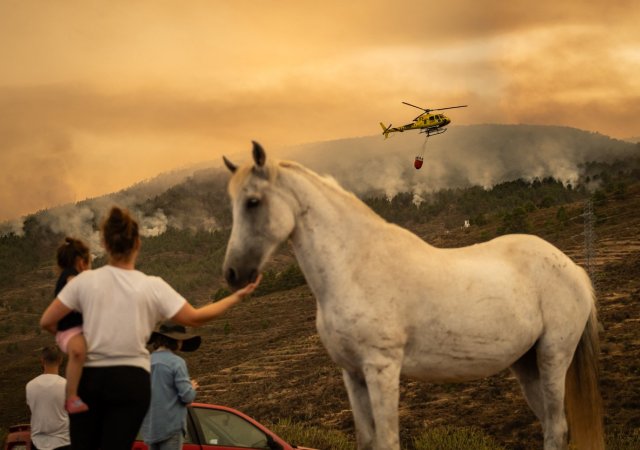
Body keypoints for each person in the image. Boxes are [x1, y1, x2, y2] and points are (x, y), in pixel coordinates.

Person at [40, 206, 261, 450]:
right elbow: (196, 317)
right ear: (137, 243)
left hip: (91, 376)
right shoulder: (152, 286)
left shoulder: (84, 282)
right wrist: (238, 295)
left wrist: (73, 340)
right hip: (132, 380)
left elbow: (48, 321)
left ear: (103, 242)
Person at [141, 321, 201, 450]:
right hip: (171, 425)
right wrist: (192, 387)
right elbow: (187, 396)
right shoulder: (176, 362)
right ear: (175, 341)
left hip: (150, 427)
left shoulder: (145, 361)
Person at [54, 237, 91, 414]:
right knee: (78, 353)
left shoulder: (68, 275)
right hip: (70, 330)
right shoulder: (71, 275)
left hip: (75, 328)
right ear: (80, 261)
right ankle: (72, 397)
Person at [25, 346, 71, 450]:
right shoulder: (67, 386)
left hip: (37, 443)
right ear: (60, 360)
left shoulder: (30, 385)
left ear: (42, 360)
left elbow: (33, 409)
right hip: (63, 442)